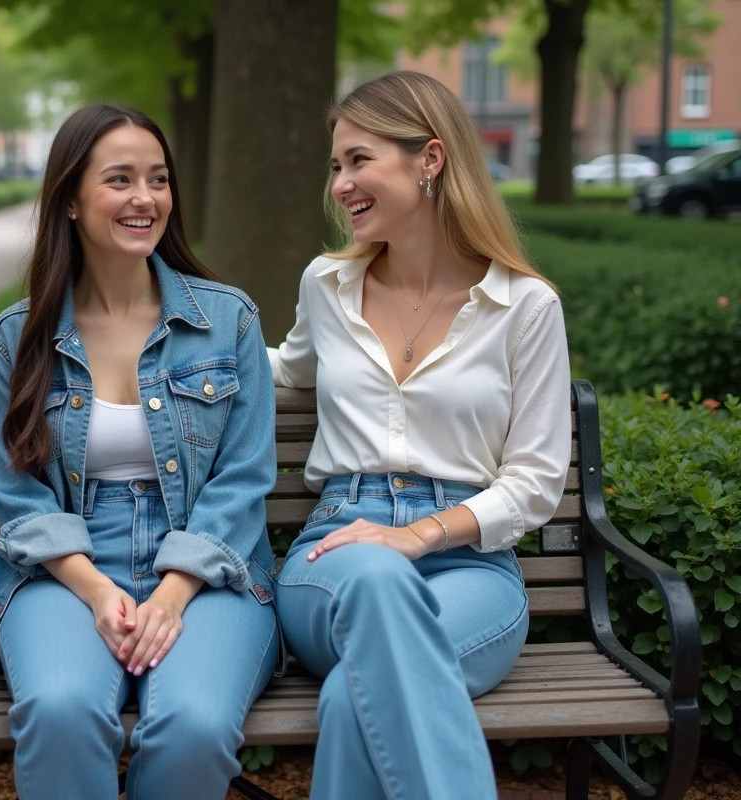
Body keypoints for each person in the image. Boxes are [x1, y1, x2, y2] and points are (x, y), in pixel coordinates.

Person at [269, 70, 572, 800]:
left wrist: (420, 535)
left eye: (360, 160)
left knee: (354, 695)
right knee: (374, 576)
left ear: (430, 159)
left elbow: (534, 483)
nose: (341, 183)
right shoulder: (326, 285)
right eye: (337, 166)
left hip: (470, 571)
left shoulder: (525, 307)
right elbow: (283, 370)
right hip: (335, 553)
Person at [0, 103, 280, 799]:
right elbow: (18, 495)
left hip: (209, 567)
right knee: (59, 711)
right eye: (119, 180)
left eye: (158, 179)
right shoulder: (18, 336)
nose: (146, 198)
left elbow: (243, 478)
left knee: (195, 726)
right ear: (71, 203)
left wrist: (174, 591)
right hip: (64, 570)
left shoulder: (227, 320)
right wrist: (94, 588)